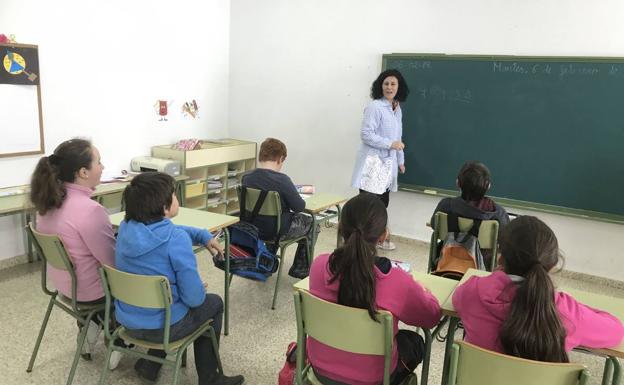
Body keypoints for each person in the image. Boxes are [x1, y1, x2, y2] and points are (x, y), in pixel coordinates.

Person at [114, 172, 244, 385]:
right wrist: (196, 290)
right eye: (174, 194)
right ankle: (211, 378)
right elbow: (194, 299)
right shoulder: (176, 240)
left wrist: (201, 234)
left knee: (165, 303)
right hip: (164, 329)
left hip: (128, 322)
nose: (177, 198)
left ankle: (149, 365)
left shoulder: (126, 229)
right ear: (164, 207)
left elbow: (167, 230)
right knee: (213, 304)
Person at [308, 193, 441, 385]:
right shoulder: (397, 281)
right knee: (416, 342)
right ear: (383, 235)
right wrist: (424, 292)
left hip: (320, 368)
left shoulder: (319, 266)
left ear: (340, 228)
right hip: (373, 378)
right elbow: (431, 317)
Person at [453, 216, 624, 362]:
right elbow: (616, 332)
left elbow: (457, 300)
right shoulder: (565, 313)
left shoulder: (472, 292)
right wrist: (576, 307)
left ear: (501, 257)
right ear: (551, 266)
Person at [30, 138, 122, 366]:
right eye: (99, 162)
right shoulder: (91, 210)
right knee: (141, 273)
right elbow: (112, 263)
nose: (102, 167)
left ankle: (89, 324)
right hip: (90, 292)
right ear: (83, 172)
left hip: (64, 286)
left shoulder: (46, 203)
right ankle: (119, 339)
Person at [241, 137, 317, 279]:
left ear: (261, 155)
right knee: (312, 223)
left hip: (253, 228)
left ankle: (267, 262)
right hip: (275, 231)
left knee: (271, 220)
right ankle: (300, 269)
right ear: (280, 158)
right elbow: (299, 207)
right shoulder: (283, 180)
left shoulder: (247, 177)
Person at [351, 69, 410, 250]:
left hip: (387, 164)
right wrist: (390, 144)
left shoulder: (396, 108)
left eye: (393, 84)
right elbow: (366, 135)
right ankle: (361, 242)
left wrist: (400, 160)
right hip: (373, 163)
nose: (389, 87)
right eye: (386, 84)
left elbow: (398, 137)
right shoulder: (375, 107)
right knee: (369, 205)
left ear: (399, 87)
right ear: (380, 86)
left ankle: (377, 238)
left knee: (382, 203)